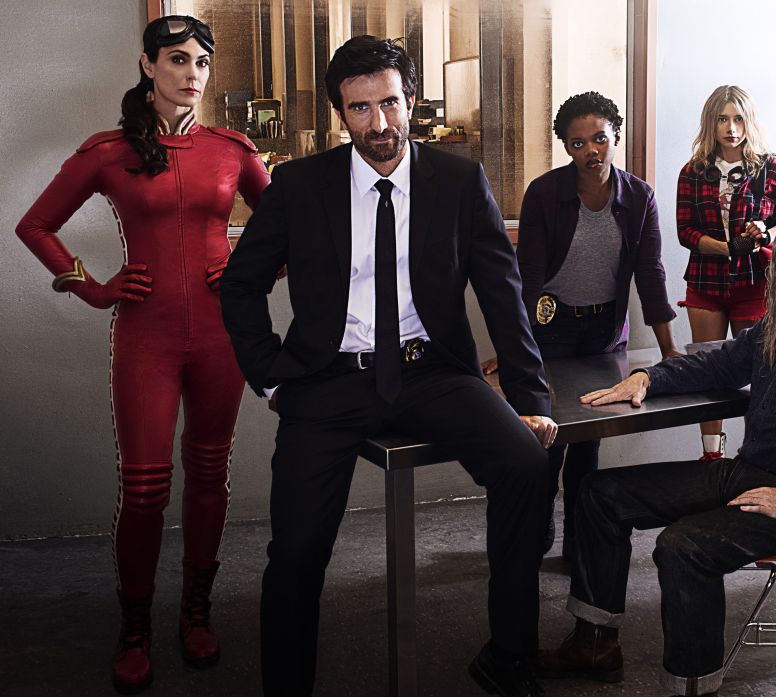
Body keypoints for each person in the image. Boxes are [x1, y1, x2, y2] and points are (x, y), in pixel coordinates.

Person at [219, 35, 556, 697]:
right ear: (341, 113)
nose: (379, 123)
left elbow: (502, 292)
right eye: (361, 108)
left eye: (391, 103)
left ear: (411, 100)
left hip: (433, 372)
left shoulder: (458, 180)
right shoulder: (299, 186)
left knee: (525, 464)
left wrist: (529, 399)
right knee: (296, 552)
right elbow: (240, 284)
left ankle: (510, 655)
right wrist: (272, 375)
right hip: (327, 379)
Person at [536, 206, 776, 696]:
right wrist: (648, 377)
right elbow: (717, 365)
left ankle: (694, 687)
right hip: (748, 475)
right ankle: (594, 645)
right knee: (599, 494)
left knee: (684, 547)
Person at [14, 15, 269, 694]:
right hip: (145, 338)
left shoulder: (232, 149)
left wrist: (247, 269)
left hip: (219, 337)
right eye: (177, 59)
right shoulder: (108, 151)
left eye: (202, 62)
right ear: (148, 66)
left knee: (210, 472)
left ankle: (196, 611)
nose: (193, 74)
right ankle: (134, 628)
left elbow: (289, 231)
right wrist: (92, 287)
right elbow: (35, 224)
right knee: (147, 486)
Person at [484, 91, 678, 560]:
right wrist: (514, 350)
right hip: (549, 328)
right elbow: (525, 278)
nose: (591, 150)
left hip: (603, 335)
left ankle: (579, 549)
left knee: (588, 445)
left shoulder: (639, 197)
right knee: (545, 441)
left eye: (600, 139)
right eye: (578, 143)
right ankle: (533, 542)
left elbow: (650, 274)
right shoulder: (545, 194)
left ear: (616, 137)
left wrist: (670, 351)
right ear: (567, 148)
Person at [676, 85, 776, 461]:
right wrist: (727, 248)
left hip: (755, 284)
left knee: (762, 373)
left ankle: (757, 456)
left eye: (738, 119)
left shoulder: (773, 168)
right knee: (708, 371)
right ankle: (712, 458)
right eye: (722, 119)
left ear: (749, 121)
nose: (731, 128)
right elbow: (685, 232)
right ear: (710, 123)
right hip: (705, 282)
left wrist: (767, 231)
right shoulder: (693, 172)